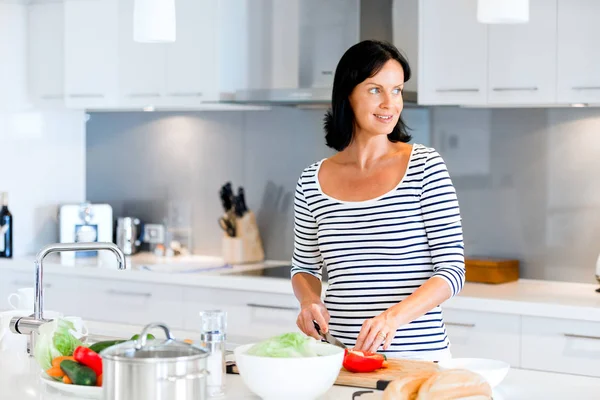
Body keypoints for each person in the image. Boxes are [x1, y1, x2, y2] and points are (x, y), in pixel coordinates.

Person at [290, 40, 465, 362]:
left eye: (396, 90)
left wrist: (392, 318)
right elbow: (304, 266)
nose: (389, 103)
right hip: (340, 357)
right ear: (347, 94)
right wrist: (308, 302)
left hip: (417, 359)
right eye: (375, 90)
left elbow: (452, 270)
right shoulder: (312, 180)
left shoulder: (425, 166)